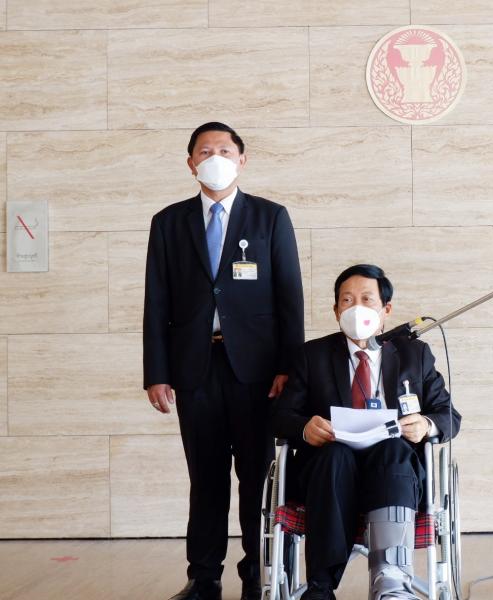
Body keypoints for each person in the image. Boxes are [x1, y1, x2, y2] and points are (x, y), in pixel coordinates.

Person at [143, 121, 304, 600]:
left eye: (225, 150)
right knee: (206, 477)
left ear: (242, 160)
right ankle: (203, 576)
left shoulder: (270, 217)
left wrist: (290, 369)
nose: (215, 158)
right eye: (205, 151)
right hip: (195, 368)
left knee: (257, 476)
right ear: (190, 163)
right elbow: (156, 301)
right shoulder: (169, 222)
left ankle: (258, 574)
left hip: (259, 372)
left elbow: (290, 298)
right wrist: (157, 373)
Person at [271, 264, 461, 600]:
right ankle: (320, 586)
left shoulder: (414, 355)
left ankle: (392, 581)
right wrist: (304, 426)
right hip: (329, 474)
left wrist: (425, 424)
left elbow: (448, 415)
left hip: (394, 473)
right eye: (347, 300)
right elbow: (280, 416)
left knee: (393, 449)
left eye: (366, 299)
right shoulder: (313, 356)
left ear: (386, 309)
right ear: (336, 311)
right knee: (335, 455)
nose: (356, 308)